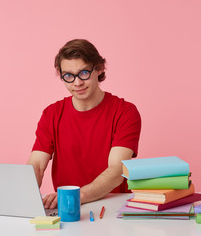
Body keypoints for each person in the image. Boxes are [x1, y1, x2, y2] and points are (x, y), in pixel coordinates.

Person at [27, 39, 141, 209]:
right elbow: (36, 165)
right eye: (68, 76)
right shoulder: (51, 114)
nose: (77, 82)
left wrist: (77, 196)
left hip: (111, 207)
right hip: (67, 207)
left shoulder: (125, 112)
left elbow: (117, 170)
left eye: (84, 73)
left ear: (99, 68)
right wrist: (23, 199)